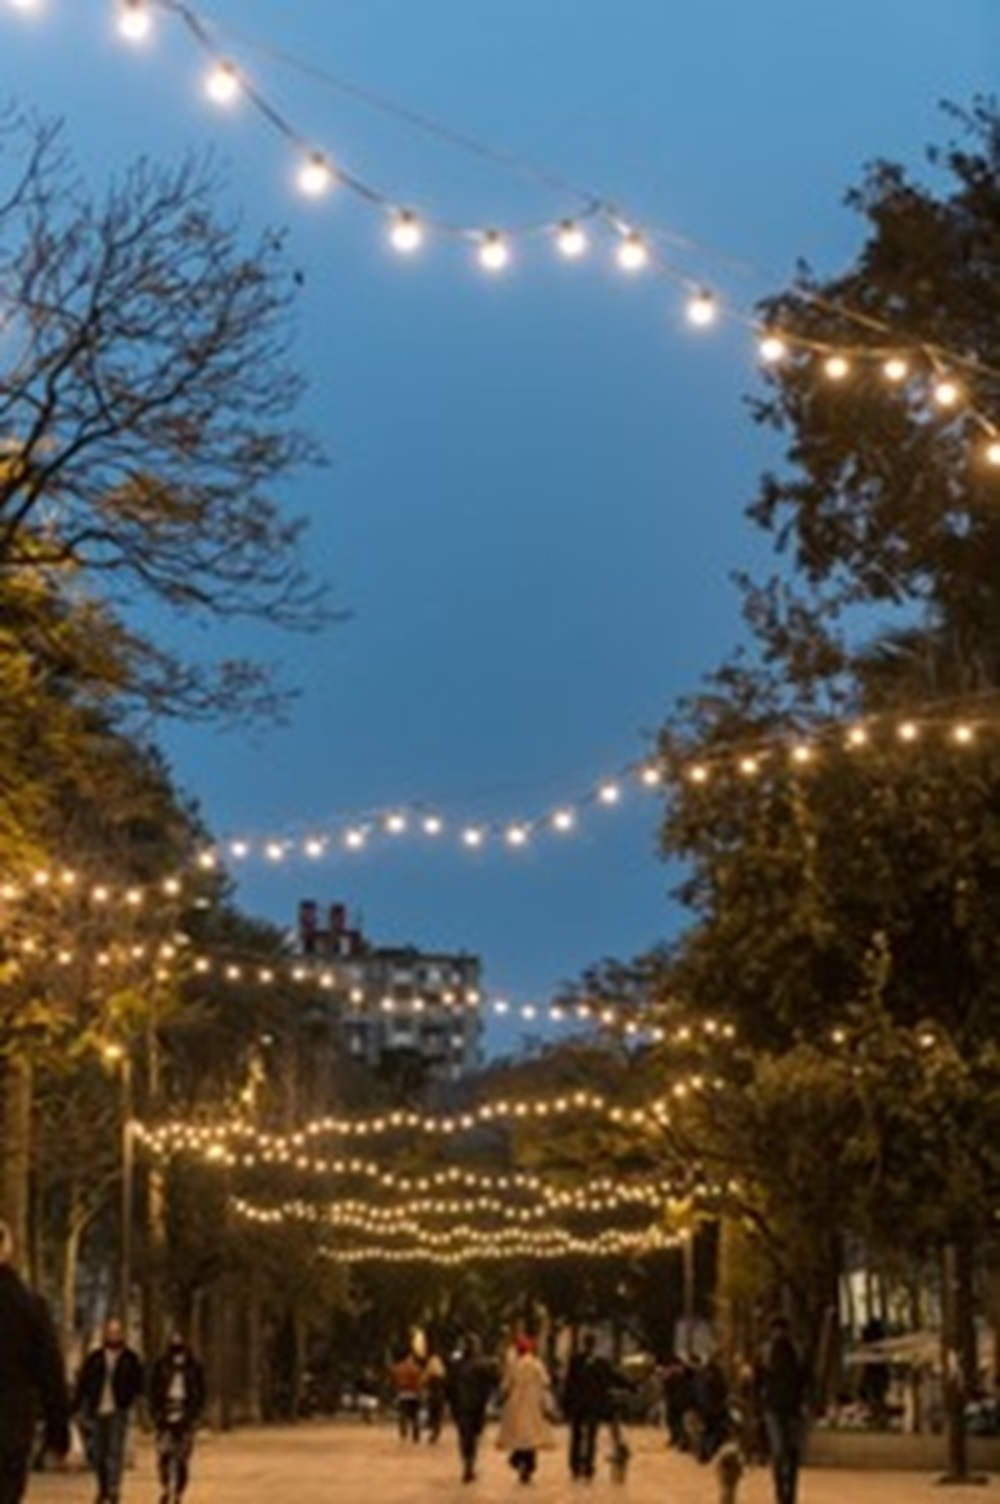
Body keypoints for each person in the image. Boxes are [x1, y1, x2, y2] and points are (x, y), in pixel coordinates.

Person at [0, 1220, 70, 1504]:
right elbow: (51, 1373)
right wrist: (58, 1433)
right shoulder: (29, 1305)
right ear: (8, 1249)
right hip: (10, 1426)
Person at [74, 1317, 144, 1504]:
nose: (113, 1336)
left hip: (118, 1410)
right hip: (97, 1410)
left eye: (117, 1332)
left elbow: (138, 1384)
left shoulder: (130, 1359)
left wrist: (133, 1402)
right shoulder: (95, 1359)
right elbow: (84, 1383)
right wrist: (77, 1406)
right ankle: (102, 1487)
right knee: (98, 1453)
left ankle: (113, 1489)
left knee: (114, 1451)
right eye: (110, 1332)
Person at [149, 1332, 205, 1504]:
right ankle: (166, 1486)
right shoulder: (161, 1365)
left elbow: (201, 1391)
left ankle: (179, 1491)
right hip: (165, 1415)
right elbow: (154, 1389)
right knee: (164, 1455)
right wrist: (155, 1412)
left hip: (186, 1415)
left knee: (182, 1458)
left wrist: (195, 1413)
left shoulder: (194, 1366)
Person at [758, 1316, 808, 1504]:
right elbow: (758, 1379)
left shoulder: (797, 1351)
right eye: (776, 1330)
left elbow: (806, 1378)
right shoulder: (765, 1352)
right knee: (779, 1451)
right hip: (773, 1408)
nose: (779, 1334)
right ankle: (780, 1492)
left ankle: (790, 1494)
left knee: (793, 1452)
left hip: (793, 1407)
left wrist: (807, 1401)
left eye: (781, 1330)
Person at [497, 1335, 555, 1484]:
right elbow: (545, 1382)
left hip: (516, 1403)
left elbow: (506, 1385)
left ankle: (518, 1460)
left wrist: (502, 1397)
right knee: (531, 1437)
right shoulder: (537, 1364)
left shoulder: (514, 1365)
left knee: (519, 1436)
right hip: (534, 1402)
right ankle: (529, 1466)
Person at [562, 1332, 614, 1480]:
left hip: (584, 1405)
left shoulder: (578, 1361)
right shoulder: (596, 1362)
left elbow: (569, 1383)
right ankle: (584, 1466)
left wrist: (566, 1403)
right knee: (587, 1435)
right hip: (589, 1405)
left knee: (581, 1436)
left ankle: (578, 1465)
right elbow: (612, 1377)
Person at [446, 1334, 495, 1482]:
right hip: (476, 1407)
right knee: (472, 1436)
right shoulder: (481, 1365)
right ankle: (469, 1464)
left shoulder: (457, 1366)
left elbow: (449, 1387)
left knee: (464, 1436)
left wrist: (450, 1404)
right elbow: (492, 1383)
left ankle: (468, 1463)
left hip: (462, 1407)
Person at [391, 1348, 425, 1442]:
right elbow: (419, 1382)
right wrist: (420, 1393)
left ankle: (403, 1434)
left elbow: (394, 1381)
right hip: (413, 1394)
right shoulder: (415, 1367)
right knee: (414, 1417)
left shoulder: (397, 1368)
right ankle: (416, 1436)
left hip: (402, 1394)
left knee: (402, 1416)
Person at [424, 1350, 448, 1443]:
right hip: (439, 1396)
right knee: (437, 1416)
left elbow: (424, 1381)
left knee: (433, 1415)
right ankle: (435, 1433)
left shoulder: (430, 1376)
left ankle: (433, 1433)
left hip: (433, 1396)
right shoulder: (442, 1374)